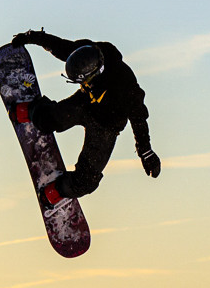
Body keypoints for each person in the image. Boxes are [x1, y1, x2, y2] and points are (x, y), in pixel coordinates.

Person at [10, 29, 162, 203]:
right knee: (46, 121)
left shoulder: (125, 87)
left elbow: (139, 118)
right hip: (85, 104)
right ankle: (32, 111)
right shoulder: (87, 51)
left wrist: (146, 152)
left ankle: (57, 191)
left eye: (84, 82)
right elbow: (60, 46)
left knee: (87, 181)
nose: (82, 84)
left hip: (106, 126)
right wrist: (32, 37)